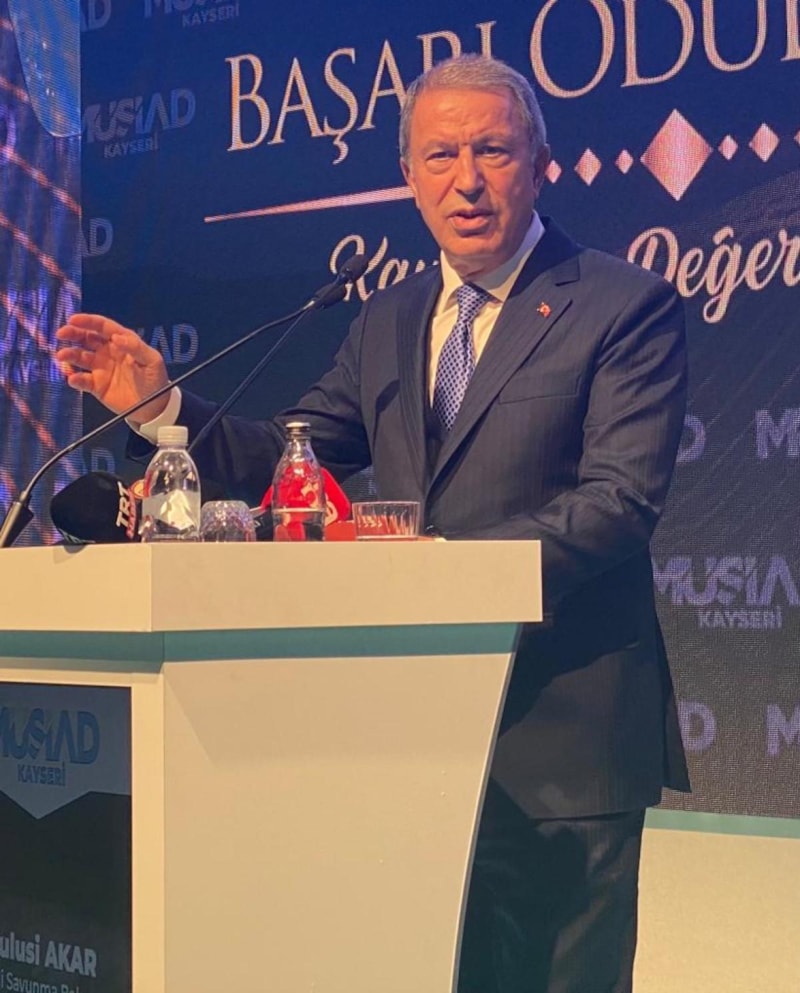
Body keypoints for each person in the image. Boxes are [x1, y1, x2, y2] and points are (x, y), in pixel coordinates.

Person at [56, 54, 689, 993]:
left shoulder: (622, 306)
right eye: (440, 156)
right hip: (408, 735)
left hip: (561, 733)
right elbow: (292, 460)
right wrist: (163, 410)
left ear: (540, 164)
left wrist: (440, 572)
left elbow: (618, 503)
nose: (466, 180)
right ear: (408, 178)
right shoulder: (389, 317)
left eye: (492, 151)